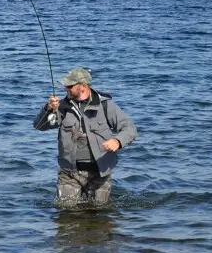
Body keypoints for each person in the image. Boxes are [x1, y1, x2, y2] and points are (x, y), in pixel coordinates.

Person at [33, 67, 137, 205]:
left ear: (83, 86)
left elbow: (130, 129)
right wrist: (47, 109)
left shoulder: (106, 105)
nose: (65, 89)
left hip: (100, 172)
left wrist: (117, 141)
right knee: (65, 215)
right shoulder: (62, 107)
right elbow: (39, 126)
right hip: (69, 173)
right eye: (65, 86)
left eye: (69, 86)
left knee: (99, 216)